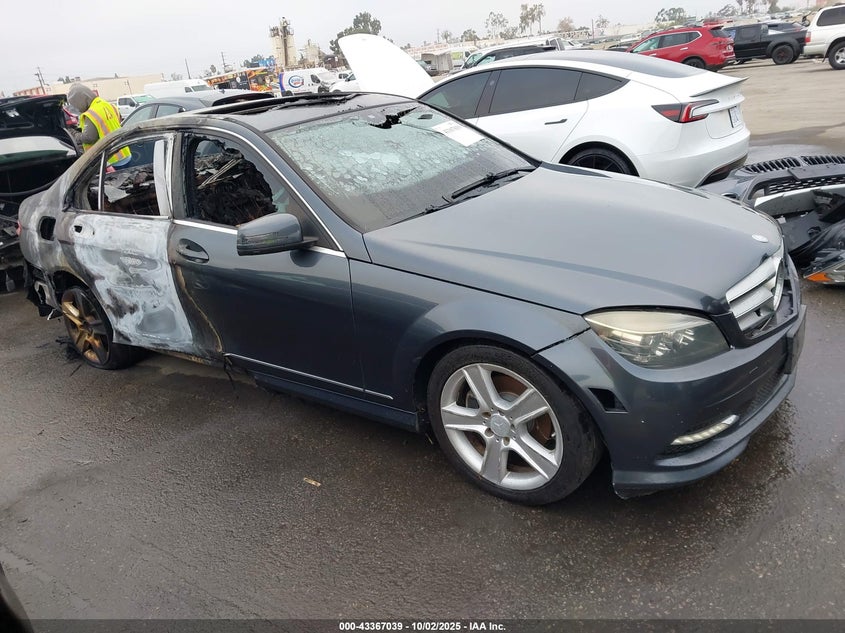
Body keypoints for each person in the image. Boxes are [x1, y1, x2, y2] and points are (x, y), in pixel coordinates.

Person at [67, 83, 131, 167]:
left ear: (82, 99)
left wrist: (73, 133)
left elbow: (89, 138)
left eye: (77, 105)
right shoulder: (107, 105)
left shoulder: (91, 113)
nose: (78, 109)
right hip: (124, 152)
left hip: (110, 159)